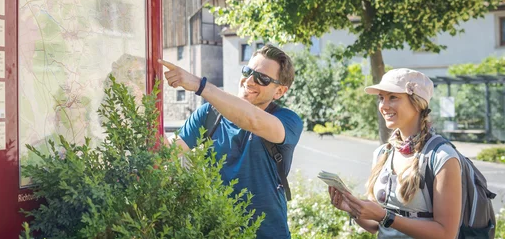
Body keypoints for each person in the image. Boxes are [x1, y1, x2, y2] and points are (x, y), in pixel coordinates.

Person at [158, 44, 303, 239]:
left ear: (279, 92)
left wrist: (200, 85)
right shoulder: (209, 114)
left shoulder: (288, 121)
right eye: (247, 71)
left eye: (263, 78)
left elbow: (253, 120)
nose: (249, 81)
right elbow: (168, 153)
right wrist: (142, 103)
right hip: (217, 231)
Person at [328, 68, 462, 239]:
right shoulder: (383, 153)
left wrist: (386, 216)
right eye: (381, 98)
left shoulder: (442, 156)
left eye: (393, 97)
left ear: (417, 103)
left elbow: (446, 234)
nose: (383, 106)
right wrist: (353, 210)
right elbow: (376, 225)